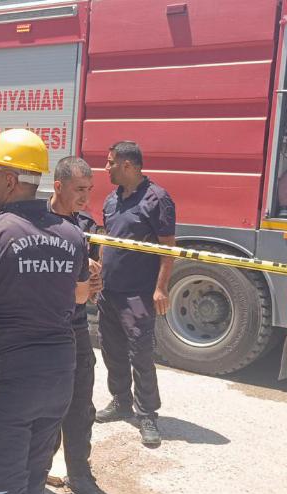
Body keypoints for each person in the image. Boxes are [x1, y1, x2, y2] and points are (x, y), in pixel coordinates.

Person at [0, 129, 90, 494]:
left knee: (3, 485)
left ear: (10, 179)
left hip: (10, 381)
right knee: (33, 479)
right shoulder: (73, 234)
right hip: (59, 378)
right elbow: (80, 296)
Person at [94, 141, 175, 448]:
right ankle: (120, 401)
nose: (106, 168)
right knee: (111, 350)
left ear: (127, 165)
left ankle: (147, 414)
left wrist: (160, 287)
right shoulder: (111, 199)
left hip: (137, 295)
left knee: (140, 353)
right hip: (110, 291)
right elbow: (107, 240)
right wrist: (98, 277)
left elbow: (168, 249)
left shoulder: (157, 199)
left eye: (110, 162)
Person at [48, 156, 108, 494]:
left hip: (76, 324)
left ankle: (80, 475)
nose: (86, 197)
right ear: (58, 186)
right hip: (43, 325)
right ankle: (37, 468)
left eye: (90, 189)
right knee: (42, 404)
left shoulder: (86, 225)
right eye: (79, 189)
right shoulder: (36, 221)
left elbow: (92, 284)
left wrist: (95, 281)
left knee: (81, 404)